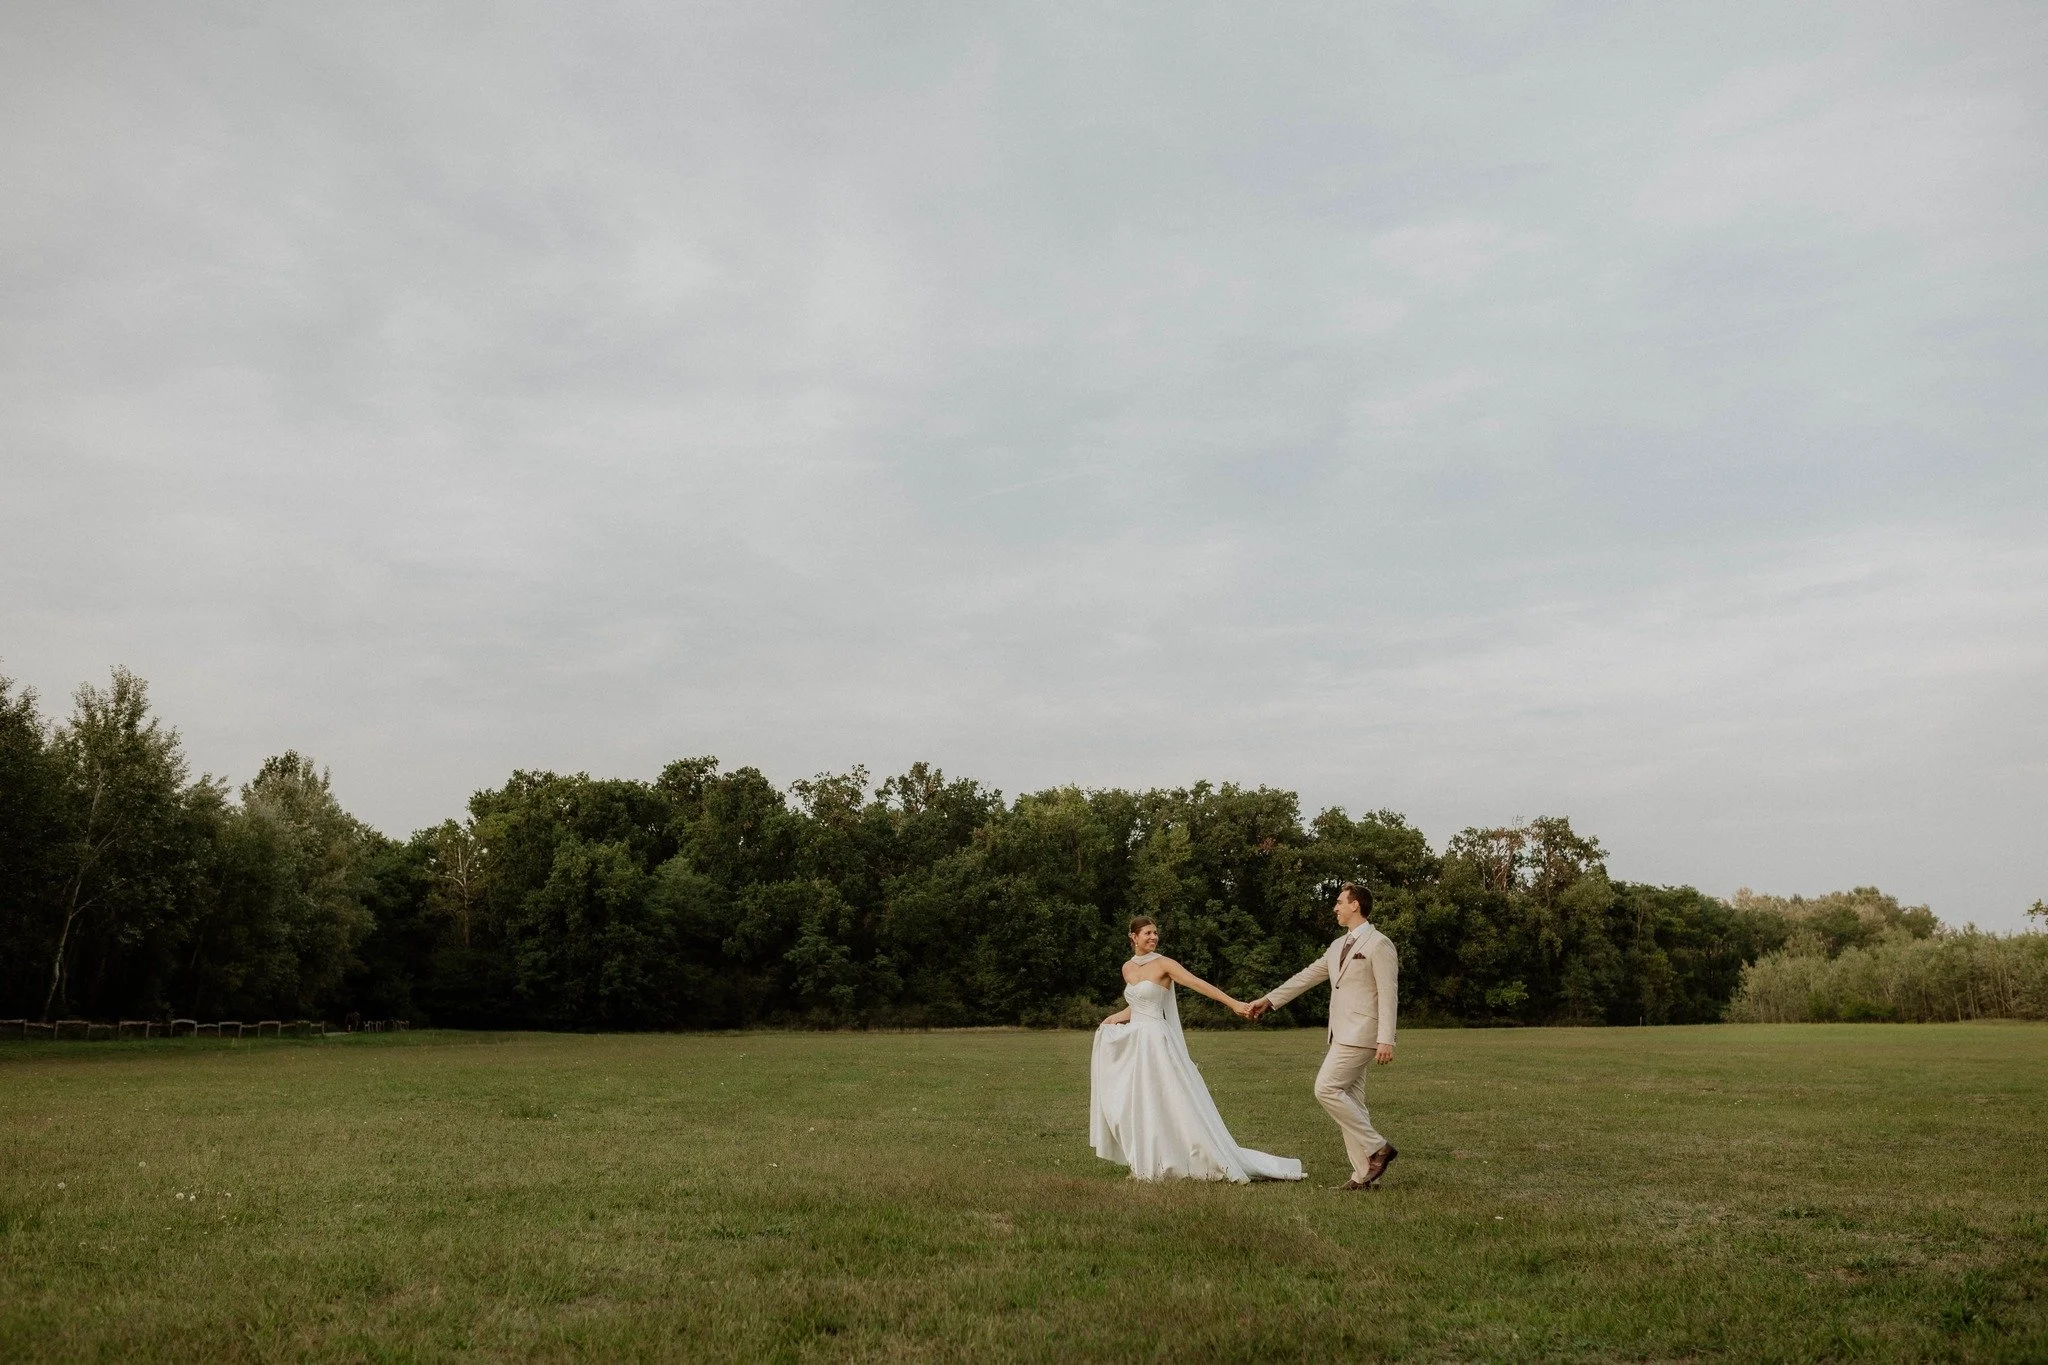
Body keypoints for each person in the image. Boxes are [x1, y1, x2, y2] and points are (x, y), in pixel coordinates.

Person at [1089, 916, 1305, 1183]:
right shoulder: (1127, 968)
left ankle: (1190, 1156)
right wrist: (1115, 1017)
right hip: (1137, 1042)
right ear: (1133, 937)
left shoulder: (1164, 964)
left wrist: (1233, 1003)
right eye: (1147, 933)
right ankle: (1146, 1160)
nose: (1153, 937)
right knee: (1142, 1101)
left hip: (1157, 1041)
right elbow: (1137, 1004)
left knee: (1170, 1100)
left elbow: (1199, 984)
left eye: (1156, 933)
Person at [1247, 882, 1400, 1190]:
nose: (1335, 907)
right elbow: (1306, 977)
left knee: (1326, 1088)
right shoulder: (1335, 946)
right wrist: (1270, 999)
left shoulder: (1379, 944)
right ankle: (1362, 1177)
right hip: (1340, 1033)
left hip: (1363, 1033)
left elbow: (1388, 994)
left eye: (1340, 902)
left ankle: (1378, 1147)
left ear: (1355, 905)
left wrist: (1387, 1039)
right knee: (1353, 1104)